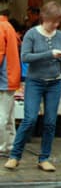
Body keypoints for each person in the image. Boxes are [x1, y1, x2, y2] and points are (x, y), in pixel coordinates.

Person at [4, 2, 61, 172]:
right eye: (53, 21)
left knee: (50, 122)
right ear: (44, 18)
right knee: (30, 119)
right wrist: (49, 54)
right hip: (35, 81)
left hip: (55, 81)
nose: (55, 25)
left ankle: (44, 158)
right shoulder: (31, 35)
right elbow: (25, 57)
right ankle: (15, 155)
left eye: (58, 22)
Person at [0, 10, 21, 157]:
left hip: (4, 77)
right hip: (11, 76)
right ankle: (11, 144)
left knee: (2, 114)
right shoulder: (8, 25)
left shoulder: (1, 27)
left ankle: (1, 146)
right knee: (9, 114)